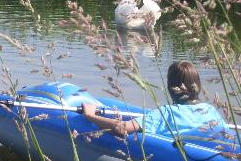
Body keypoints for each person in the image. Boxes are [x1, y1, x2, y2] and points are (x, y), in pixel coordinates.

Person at [82, 61, 230, 136]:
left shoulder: (166, 114)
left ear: (171, 86)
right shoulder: (210, 110)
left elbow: (121, 128)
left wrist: (90, 115)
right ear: (197, 85)